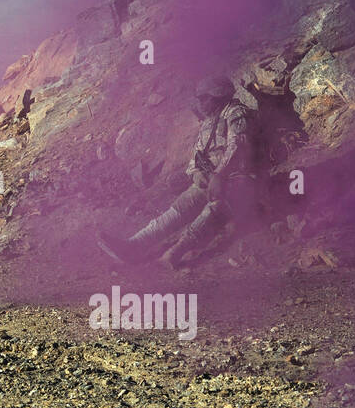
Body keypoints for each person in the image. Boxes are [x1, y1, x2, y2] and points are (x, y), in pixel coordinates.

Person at [98, 76, 260, 269]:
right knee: (180, 208)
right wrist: (196, 172)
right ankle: (134, 246)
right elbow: (197, 154)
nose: (200, 103)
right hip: (213, 179)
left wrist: (219, 175)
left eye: (204, 98)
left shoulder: (236, 113)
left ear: (217, 96)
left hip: (241, 179)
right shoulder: (209, 122)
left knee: (214, 209)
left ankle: (174, 254)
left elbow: (238, 146)